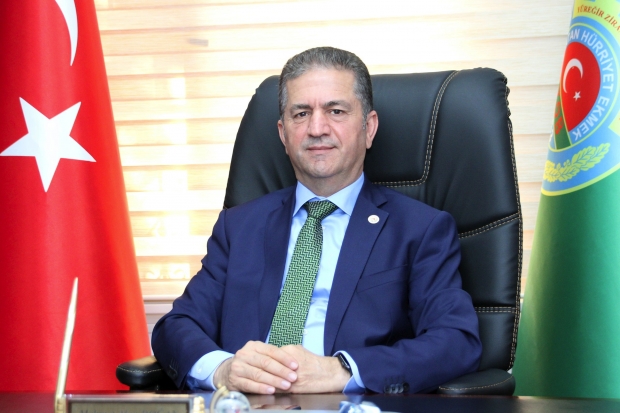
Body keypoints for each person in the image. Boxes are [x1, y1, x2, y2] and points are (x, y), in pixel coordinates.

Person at [151, 47, 481, 395]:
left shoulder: (419, 229)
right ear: (283, 134)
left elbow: (455, 340)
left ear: (369, 128)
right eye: (301, 113)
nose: (317, 128)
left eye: (336, 111)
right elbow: (176, 327)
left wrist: (342, 370)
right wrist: (223, 370)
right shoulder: (238, 227)